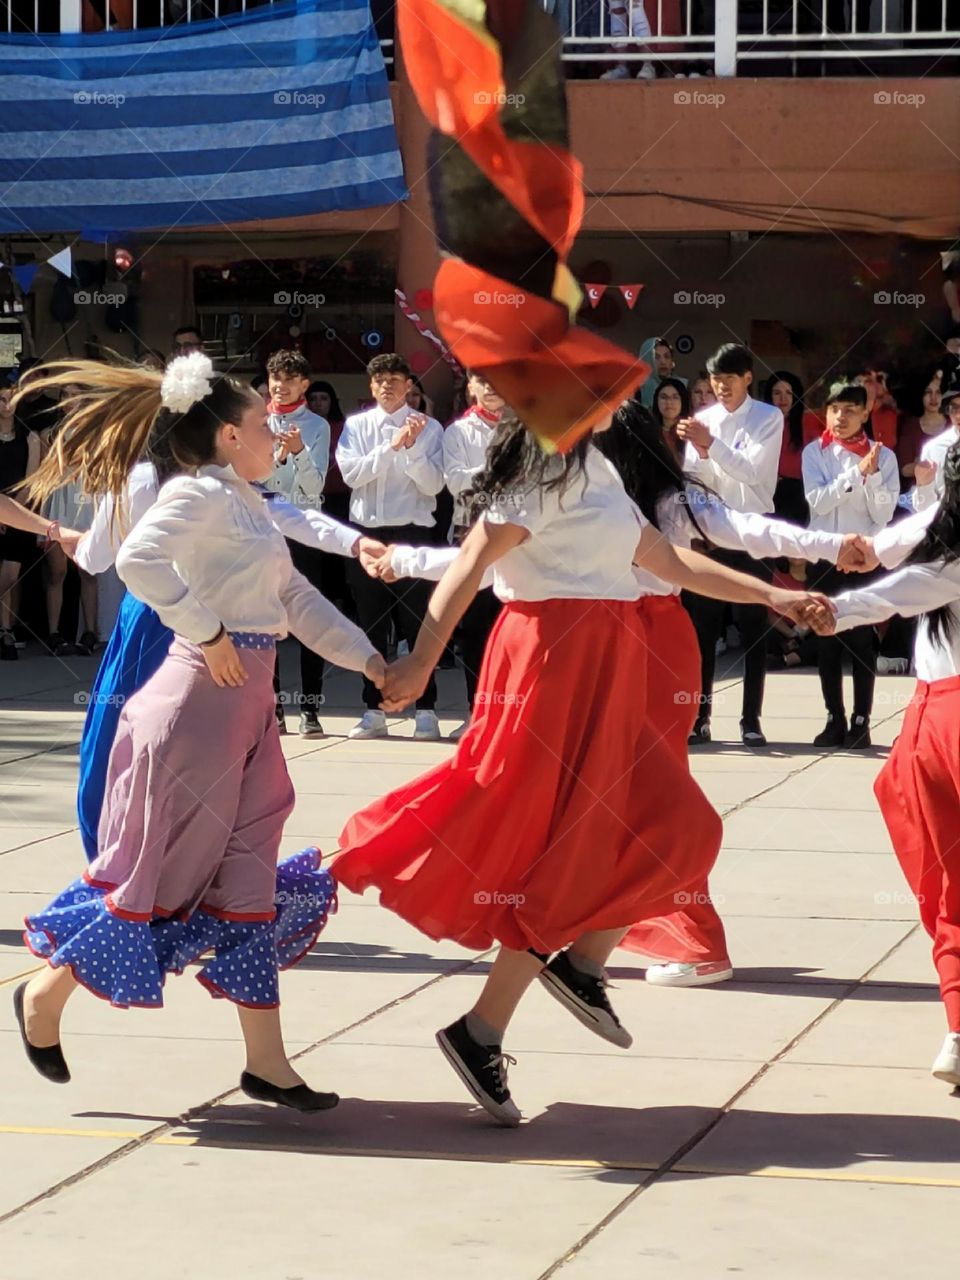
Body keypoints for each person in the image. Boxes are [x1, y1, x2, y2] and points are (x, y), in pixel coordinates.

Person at [333, 409, 830, 1124]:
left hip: (613, 659)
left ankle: (571, 971)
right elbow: (471, 564)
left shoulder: (599, 475)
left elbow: (670, 562)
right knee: (556, 846)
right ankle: (484, 1026)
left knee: (682, 829)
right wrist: (420, 661)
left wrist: (771, 592)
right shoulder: (534, 480)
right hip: (549, 660)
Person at [13, 352, 384, 1113]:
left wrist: (377, 664)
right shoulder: (199, 494)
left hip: (246, 711)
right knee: (164, 879)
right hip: (193, 709)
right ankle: (44, 999)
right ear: (224, 437)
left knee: (249, 877)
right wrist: (208, 631)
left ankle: (268, 1063)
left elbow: (298, 600)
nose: (274, 431)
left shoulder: (247, 499)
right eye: (260, 424)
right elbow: (140, 559)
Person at [597, 398, 865, 986]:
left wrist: (827, 546)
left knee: (655, 792)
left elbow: (753, 528)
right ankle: (603, 923)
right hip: (606, 641)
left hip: (650, 645)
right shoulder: (589, 501)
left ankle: (695, 940)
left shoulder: (677, 502)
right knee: (604, 788)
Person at [66, 436, 386, 865]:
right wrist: (354, 543)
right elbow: (297, 519)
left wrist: (69, 537)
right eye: (255, 428)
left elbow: (96, 557)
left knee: (130, 746)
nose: (267, 439)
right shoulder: (226, 488)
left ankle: (128, 866)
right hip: (209, 624)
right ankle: (191, 878)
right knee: (205, 760)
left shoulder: (148, 480)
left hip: (158, 619)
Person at [816, 445, 960, 1087]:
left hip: (935, 724)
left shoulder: (943, 548)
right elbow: (907, 558)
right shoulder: (938, 543)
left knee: (947, 880)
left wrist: (832, 605)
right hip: (936, 719)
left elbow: (903, 578)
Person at [676, 342, 785, 746]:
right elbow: (694, 479)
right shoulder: (703, 419)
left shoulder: (768, 417)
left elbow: (754, 475)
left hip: (753, 530)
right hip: (712, 533)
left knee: (753, 626)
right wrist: (698, 532)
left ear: (746, 378)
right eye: (715, 380)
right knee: (702, 628)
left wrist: (711, 444)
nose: (720, 387)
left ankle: (751, 719)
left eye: (728, 380)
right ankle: (699, 716)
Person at [336, 353, 445, 741]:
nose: (387, 387)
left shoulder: (430, 429)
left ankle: (426, 710)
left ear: (407, 385)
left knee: (418, 623)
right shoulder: (356, 425)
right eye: (380, 380)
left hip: (413, 533)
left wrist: (412, 448)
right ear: (371, 386)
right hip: (368, 533)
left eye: (395, 380)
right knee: (372, 625)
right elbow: (352, 475)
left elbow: (433, 485)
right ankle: (373, 709)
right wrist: (392, 447)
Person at [802, 381, 899, 748]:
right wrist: (855, 473)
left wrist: (871, 475)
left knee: (861, 640)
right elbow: (819, 503)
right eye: (835, 409)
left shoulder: (884, 458)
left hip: (862, 559)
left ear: (864, 414)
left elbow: (884, 512)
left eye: (849, 410)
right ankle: (834, 717)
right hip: (826, 556)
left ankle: (862, 720)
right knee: (826, 639)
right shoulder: (816, 453)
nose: (841, 417)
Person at [262, 350, 332, 737]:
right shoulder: (257, 421)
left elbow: (314, 487)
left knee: (307, 619)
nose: (280, 385)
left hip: (304, 530)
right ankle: (273, 707)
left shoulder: (317, 425)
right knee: (267, 619)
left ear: (304, 384)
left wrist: (299, 453)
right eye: (275, 377)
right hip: (266, 530)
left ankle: (311, 708)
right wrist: (278, 456)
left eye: (289, 378)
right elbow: (256, 481)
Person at [441, 370, 504, 740]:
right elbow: (455, 482)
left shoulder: (524, 429)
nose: (491, 386)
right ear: (471, 388)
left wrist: (481, 475)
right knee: (475, 630)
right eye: (483, 380)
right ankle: (476, 712)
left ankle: (514, 713)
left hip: (519, 542)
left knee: (515, 627)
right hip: (471, 537)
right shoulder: (457, 432)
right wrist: (496, 469)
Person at [0, 386, 42, 659]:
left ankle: (6, 630)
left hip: (17, 510)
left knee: (10, 577)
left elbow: (33, 478)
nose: (7, 404)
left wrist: (10, 511)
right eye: (2, 399)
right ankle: (5, 630)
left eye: (12, 398)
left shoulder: (31, 437)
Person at [763, 369, 816, 526]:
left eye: (788, 393)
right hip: (767, 492)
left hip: (798, 493)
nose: (783, 398)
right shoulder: (760, 425)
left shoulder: (809, 423)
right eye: (777, 393)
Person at [908, 386, 960, 514]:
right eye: (954, 408)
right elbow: (923, 509)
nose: (958, 415)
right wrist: (923, 485)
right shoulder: (934, 448)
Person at [896, 370, 947, 492]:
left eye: (938, 393)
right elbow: (905, 469)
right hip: (920, 493)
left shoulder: (954, 423)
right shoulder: (910, 426)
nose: (933, 398)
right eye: (928, 393)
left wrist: (920, 462)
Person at [638, 337, 686, 409]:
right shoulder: (636, 391)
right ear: (647, 360)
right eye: (656, 357)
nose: (663, 362)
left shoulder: (682, 387)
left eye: (667, 357)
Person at [651, 377, 690, 462]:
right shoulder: (649, 432)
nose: (669, 402)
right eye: (664, 397)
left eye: (675, 397)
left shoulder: (691, 431)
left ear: (683, 401)